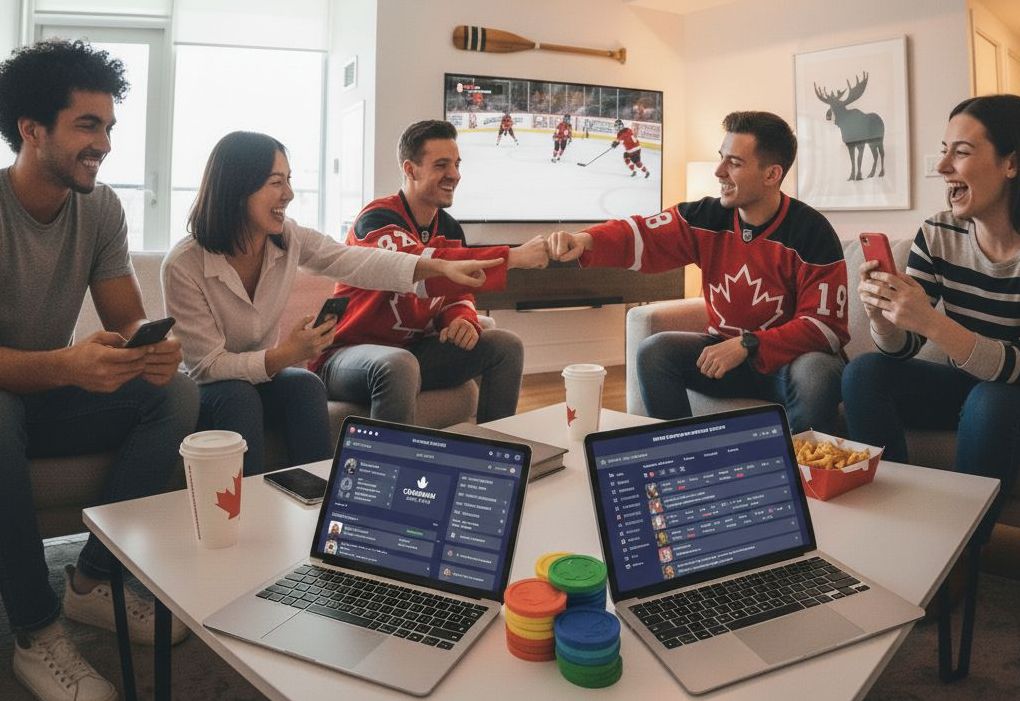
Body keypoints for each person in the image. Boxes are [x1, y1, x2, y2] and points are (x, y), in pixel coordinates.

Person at [0, 39, 199, 701]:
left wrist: (150, 350)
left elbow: (126, 319)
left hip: (46, 397)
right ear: (32, 129)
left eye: (109, 127)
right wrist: (66, 365)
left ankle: (90, 581)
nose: (105, 144)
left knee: (174, 393)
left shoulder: (101, 207)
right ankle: (35, 629)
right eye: (88, 126)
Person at [163, 131, 507, 476]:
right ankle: (247, 502)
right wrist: (284, 355)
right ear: (237, 190)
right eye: (276, 182)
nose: (289, 193)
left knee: (305, 386)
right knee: (239, 398)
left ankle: (319, 490)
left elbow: (355, 260)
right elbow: (207, 366)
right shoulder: (184, 265)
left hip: (260, 379)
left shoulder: (287, 238)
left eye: (289, 180)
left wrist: (439, 267)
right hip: (212, 387)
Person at [549, 111, 848, 434]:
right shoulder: (706, 216)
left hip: (788, 364)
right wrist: (586, 240)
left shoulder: (812, 232)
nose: (719, 172)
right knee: (655, 351)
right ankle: (680, 452)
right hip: (725, 357)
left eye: (734, 163)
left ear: (772, 174)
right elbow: (644, 234)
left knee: (817, 371)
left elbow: (825, 328)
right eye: (721, 158)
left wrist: (749, 344)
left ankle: (805, 464)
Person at [842, 94, 1020, 540]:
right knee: (864, 373)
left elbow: (1015, 369)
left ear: (1011, 163)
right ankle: (892, 522)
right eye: (944, 151)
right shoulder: (938, 232)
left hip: (1009, 396)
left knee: (992, 399)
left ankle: (962, 550)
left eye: (961, 152)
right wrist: (884, 317)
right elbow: (904, 349)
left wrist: (932, 322)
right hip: (968, 384)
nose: (942, 167)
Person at [312, 120, 549, 424]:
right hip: (346, 357)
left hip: (411, 352)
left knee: (505, 346)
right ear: (410, 170)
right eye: (441, 165)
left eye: (456, 164)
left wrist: (461, 319)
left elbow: (458, 293)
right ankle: (390, 456)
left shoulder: (450, 228)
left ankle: (494, 449)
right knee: (399, 364)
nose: (455, 174)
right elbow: (417, 266)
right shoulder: (375, 219)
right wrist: (511, 257)